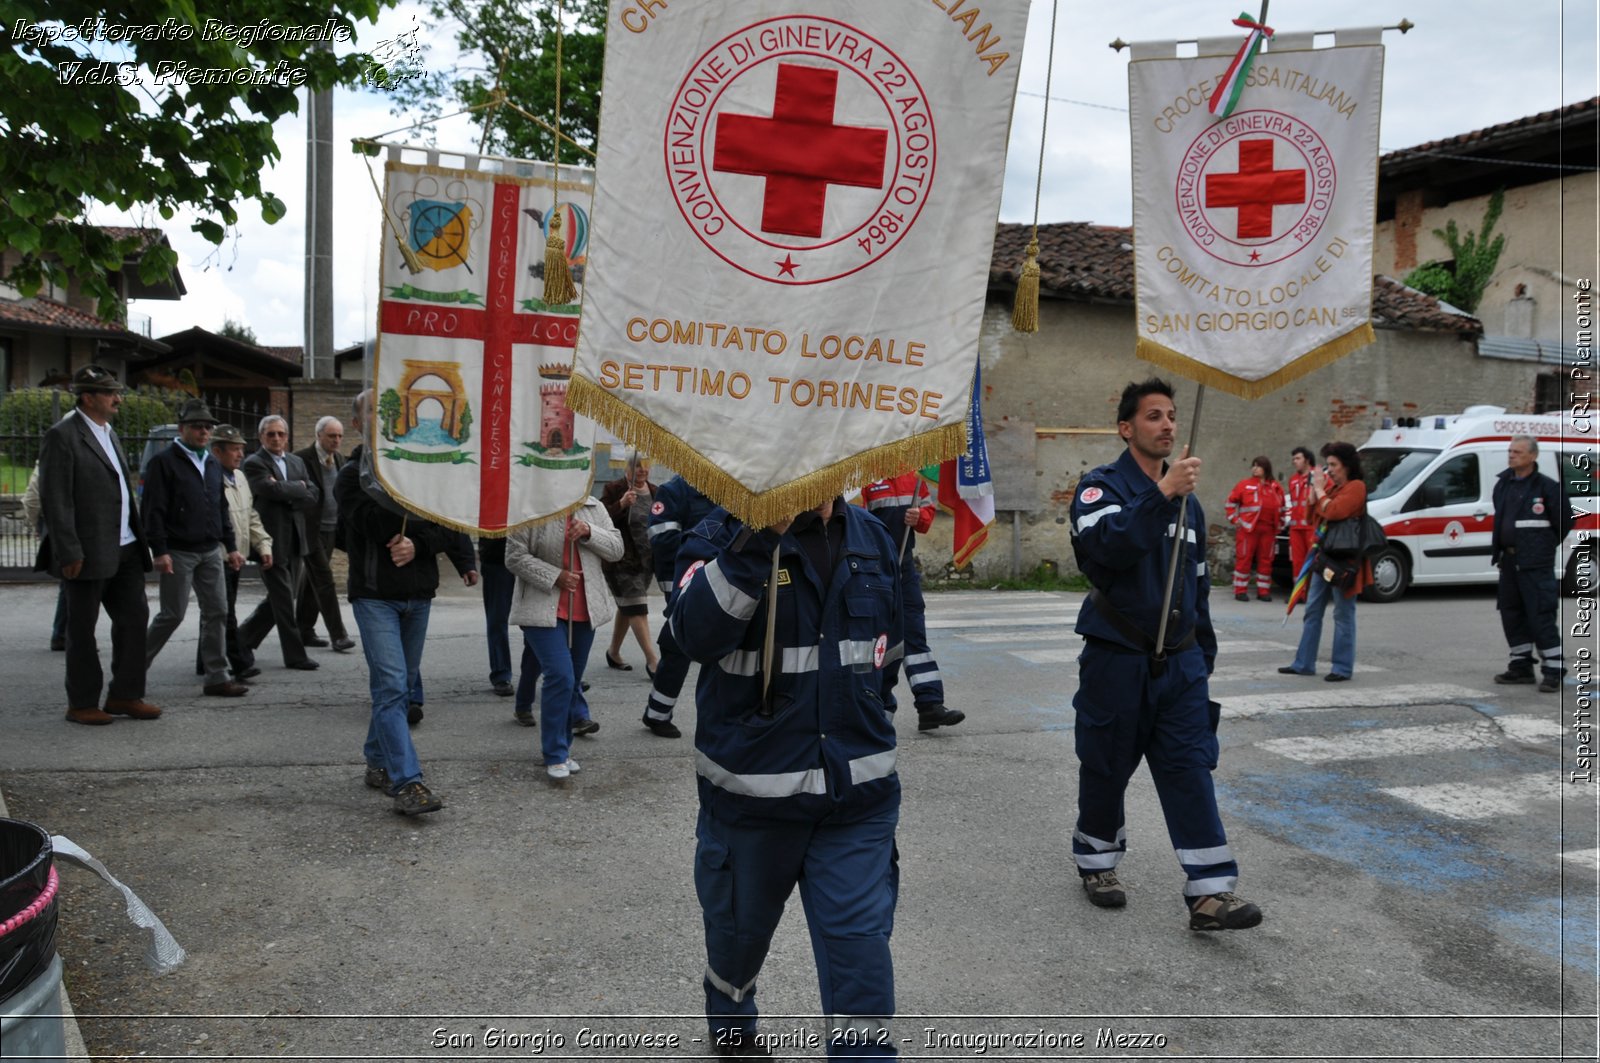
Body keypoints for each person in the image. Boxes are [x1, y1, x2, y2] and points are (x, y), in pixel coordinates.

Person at [670, 495, 905, 1057]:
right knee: (736, 944)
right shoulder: (715, 536)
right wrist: (754, 541)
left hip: (855, 801)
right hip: (754, 802)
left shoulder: (871, 536)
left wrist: (869, 719)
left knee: (860, 955)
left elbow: (888, 652)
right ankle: (732, 1031)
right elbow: (692, 637)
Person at [1069, 378, 1260, 931]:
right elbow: (1107, 548)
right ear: (1127, 428)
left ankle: (1209, 892)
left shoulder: (1191, 507)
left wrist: (1202, 657)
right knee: (1105, 762)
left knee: (1190, 766)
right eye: (1154, 416)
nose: (1169, 425)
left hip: (1179, 665)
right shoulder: (1098, 489)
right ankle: (1097, 860)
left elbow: (1196, 588)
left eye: (1173, 416)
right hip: (1117, 656)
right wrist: (1162, 495)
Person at [337, 391, 478, 815]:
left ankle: (377, 759)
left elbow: (447, 522)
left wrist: (424, 546)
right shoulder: (351, 475)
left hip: (418, 594)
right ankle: (407, 783)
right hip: (376, 596)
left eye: (386, 413)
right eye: (370, 414)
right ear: (360, 422)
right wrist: (400, 514)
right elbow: (370, 519)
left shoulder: (423, 467)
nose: (380, 420)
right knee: (395, 686)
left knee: (394, 687)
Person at [36, 365, 160, 725]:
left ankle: (125, 695)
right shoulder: (62, 435)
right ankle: (82, 702)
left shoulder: (109, 432)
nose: (118, 398)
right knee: (82, 629)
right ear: (88, 397)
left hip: (126, 547)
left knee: (134, 621)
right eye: (110, 393)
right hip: (87, 551)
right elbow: (55, 499)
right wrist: (69, 550)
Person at [505, 497, 623, 778]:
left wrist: (589, 532)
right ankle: (555, 753)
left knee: (570, 681)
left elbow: (617, 549)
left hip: (586, 609)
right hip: (542, 607)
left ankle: (564, 749)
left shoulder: (594, 507)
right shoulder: (530, 506)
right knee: (561, 676)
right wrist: (555, 575)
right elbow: (514, 556)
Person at [141, 399, 248, 698]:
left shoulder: (212, 463)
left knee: (217, 611)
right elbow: (153, 510)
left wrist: (230, 546)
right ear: (182, 429)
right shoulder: (163, 463)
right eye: (197, 426)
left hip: (210, 550)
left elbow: (220, 507)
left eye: (207, 427)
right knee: (172, 614)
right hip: (178, 550)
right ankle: (133, 669)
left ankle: (216, 676)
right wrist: (159, 550)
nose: (203, 431)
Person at [861, 472, 964, 730]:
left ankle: (930, 705)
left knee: (914, 634)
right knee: (881, 640)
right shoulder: (866, 478)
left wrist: (919, 517)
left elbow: (927, 517)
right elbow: (854, 522)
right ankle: (879, 710)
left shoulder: (914, 478)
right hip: (874, 567)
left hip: (904, 567)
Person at [1280, 442, 1370, 683]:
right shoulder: (1335, 488)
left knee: (1343, 613)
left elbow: (1334, 512)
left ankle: (1342, 667)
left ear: (1347, 466)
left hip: (1344, 561)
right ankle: (1304, 663)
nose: (1329, 470)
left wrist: (1320, 490)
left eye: (1334, 465)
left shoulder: (1356, 487)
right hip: (1324, 557)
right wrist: (1314, 490)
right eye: (1328, 465)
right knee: (1312, 610)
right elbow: (1313, 516)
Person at [238, 415, 321, 671]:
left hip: (296, 539)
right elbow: (268, 490)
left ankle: (240, 640)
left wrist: (288, 490)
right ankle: (295, 655)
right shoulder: (254, 463)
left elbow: (314, 494)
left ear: (287, 436)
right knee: (284, 600)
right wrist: (298, 488)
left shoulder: (296, 461)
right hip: (270, 542)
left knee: (283, 597)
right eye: (270, 434)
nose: (276, 438)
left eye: (280, 434)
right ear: (261, 436)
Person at [1491, 435, 1572, 692]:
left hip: (1536, 564)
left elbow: (1564, 523)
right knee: (1511, 614)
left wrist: (1542, 547)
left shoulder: (1547, 488)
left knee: (1541, 615)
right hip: (1509, 561)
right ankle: (1521, 666)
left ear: (1533, 456)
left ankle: (1553, 670)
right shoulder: (1503, 484)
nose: (1511, 455)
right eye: (1510, 451)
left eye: (1517, 452)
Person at [641, 474, 718, 738]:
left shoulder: (727, 486)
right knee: (678, 647)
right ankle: (658, 713)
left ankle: (659, 713)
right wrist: (708, 544)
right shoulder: (673, 491)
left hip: (722, 580)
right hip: (683, 581)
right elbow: (661, 539)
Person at [205, 424, 270, 681]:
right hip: (218, 555)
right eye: (234, 450)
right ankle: (239, 661)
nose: (240, 455)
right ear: (217, 451)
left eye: (242, 449)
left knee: (220, 609)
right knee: (224, 611)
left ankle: (206, 660)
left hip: (237, 555)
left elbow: (250, 516)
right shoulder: (209, 478)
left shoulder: (240, 477)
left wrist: (263, 545)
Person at [293, 416, 354, 652]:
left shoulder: (339, 459)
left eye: (339, 436)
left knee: (312, 581)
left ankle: (304, 630)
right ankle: (338, 635)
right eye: (331, 436)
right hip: (309, 529)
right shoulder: (301, 459)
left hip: (332, 528)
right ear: (318, 435)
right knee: (325, 580)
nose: (336, 440)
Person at [599, 454, 660, 676]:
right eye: (637, 466)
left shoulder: (656, 492)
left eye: (646, 466)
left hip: (646, 563)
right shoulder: (614, 488)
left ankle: (613, 652)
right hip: (621, 561)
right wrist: (621, 504)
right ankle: (653, 661)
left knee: (628, 607)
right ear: (627, 467)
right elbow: (600, 519)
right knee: (637, 607)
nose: (642, 470)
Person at [21, 460, 69, 652]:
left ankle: (64, 634)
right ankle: (63, 634)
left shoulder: (48, 461)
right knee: (70, 579)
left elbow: (32, 500)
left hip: (52, 520)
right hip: (60, 522)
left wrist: (38, 524)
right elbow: (31, 499)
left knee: (69, 579)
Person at [1224, 455, 1284, 602]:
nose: (1255, 468)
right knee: (1244, 559)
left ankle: (1263, 591)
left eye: (1258, 466)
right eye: (1253, 465)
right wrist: (1235, 520)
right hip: (1248, 529)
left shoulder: (1275, 487)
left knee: (1266, 560)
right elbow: (1230, 503)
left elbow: (1283, 508)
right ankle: (1240, 590)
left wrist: (1280, 525)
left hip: (1268, 530)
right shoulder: (1244, 485)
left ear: (1266, 468)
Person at [479, 536, 519, 697]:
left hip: (534, 556)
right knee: (497, 620)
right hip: (497, 557)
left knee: (541, 619)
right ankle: (501, 673)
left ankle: (559, 672)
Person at [1285, 446, 1317, 582]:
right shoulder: (1293, 480)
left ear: (1307, 460)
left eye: (1298, 458)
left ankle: (1312, 592)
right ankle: (1299, 593)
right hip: (1296, 528)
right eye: (1293, 459)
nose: (1294, 461)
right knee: (1297, 562)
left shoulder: (1318, 476)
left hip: (1311, 527)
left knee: (1313, 561)